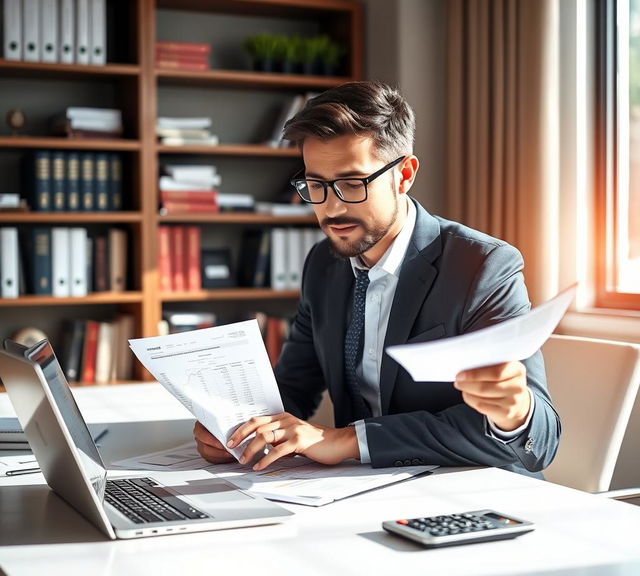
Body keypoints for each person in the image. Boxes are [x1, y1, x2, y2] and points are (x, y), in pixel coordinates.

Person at [193, 80, 560, 477]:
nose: (331, 209)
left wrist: (516, 412)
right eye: (316, 185)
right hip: (361, 490)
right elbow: (295, 386)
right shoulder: (323, 263)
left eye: (352, 184)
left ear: (403, 175)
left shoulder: (483, 265)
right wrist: (238, 428)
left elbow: (540, 441)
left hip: (475, 495)